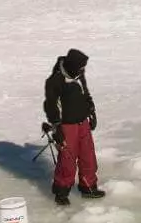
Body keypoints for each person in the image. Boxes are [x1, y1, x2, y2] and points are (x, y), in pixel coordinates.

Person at [42, 48, 103, 205]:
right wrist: (57, 128)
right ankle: (61, 192)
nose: (83, 70)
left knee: (88, 156)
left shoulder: (78, 75)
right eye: (81, 67)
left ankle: (88, 187)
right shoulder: (55, 81)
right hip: (66, 126)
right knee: (67, 160)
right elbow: (51, 106)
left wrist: (91, 111)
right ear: (71, 66)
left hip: (82, 123)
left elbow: (85, 93)